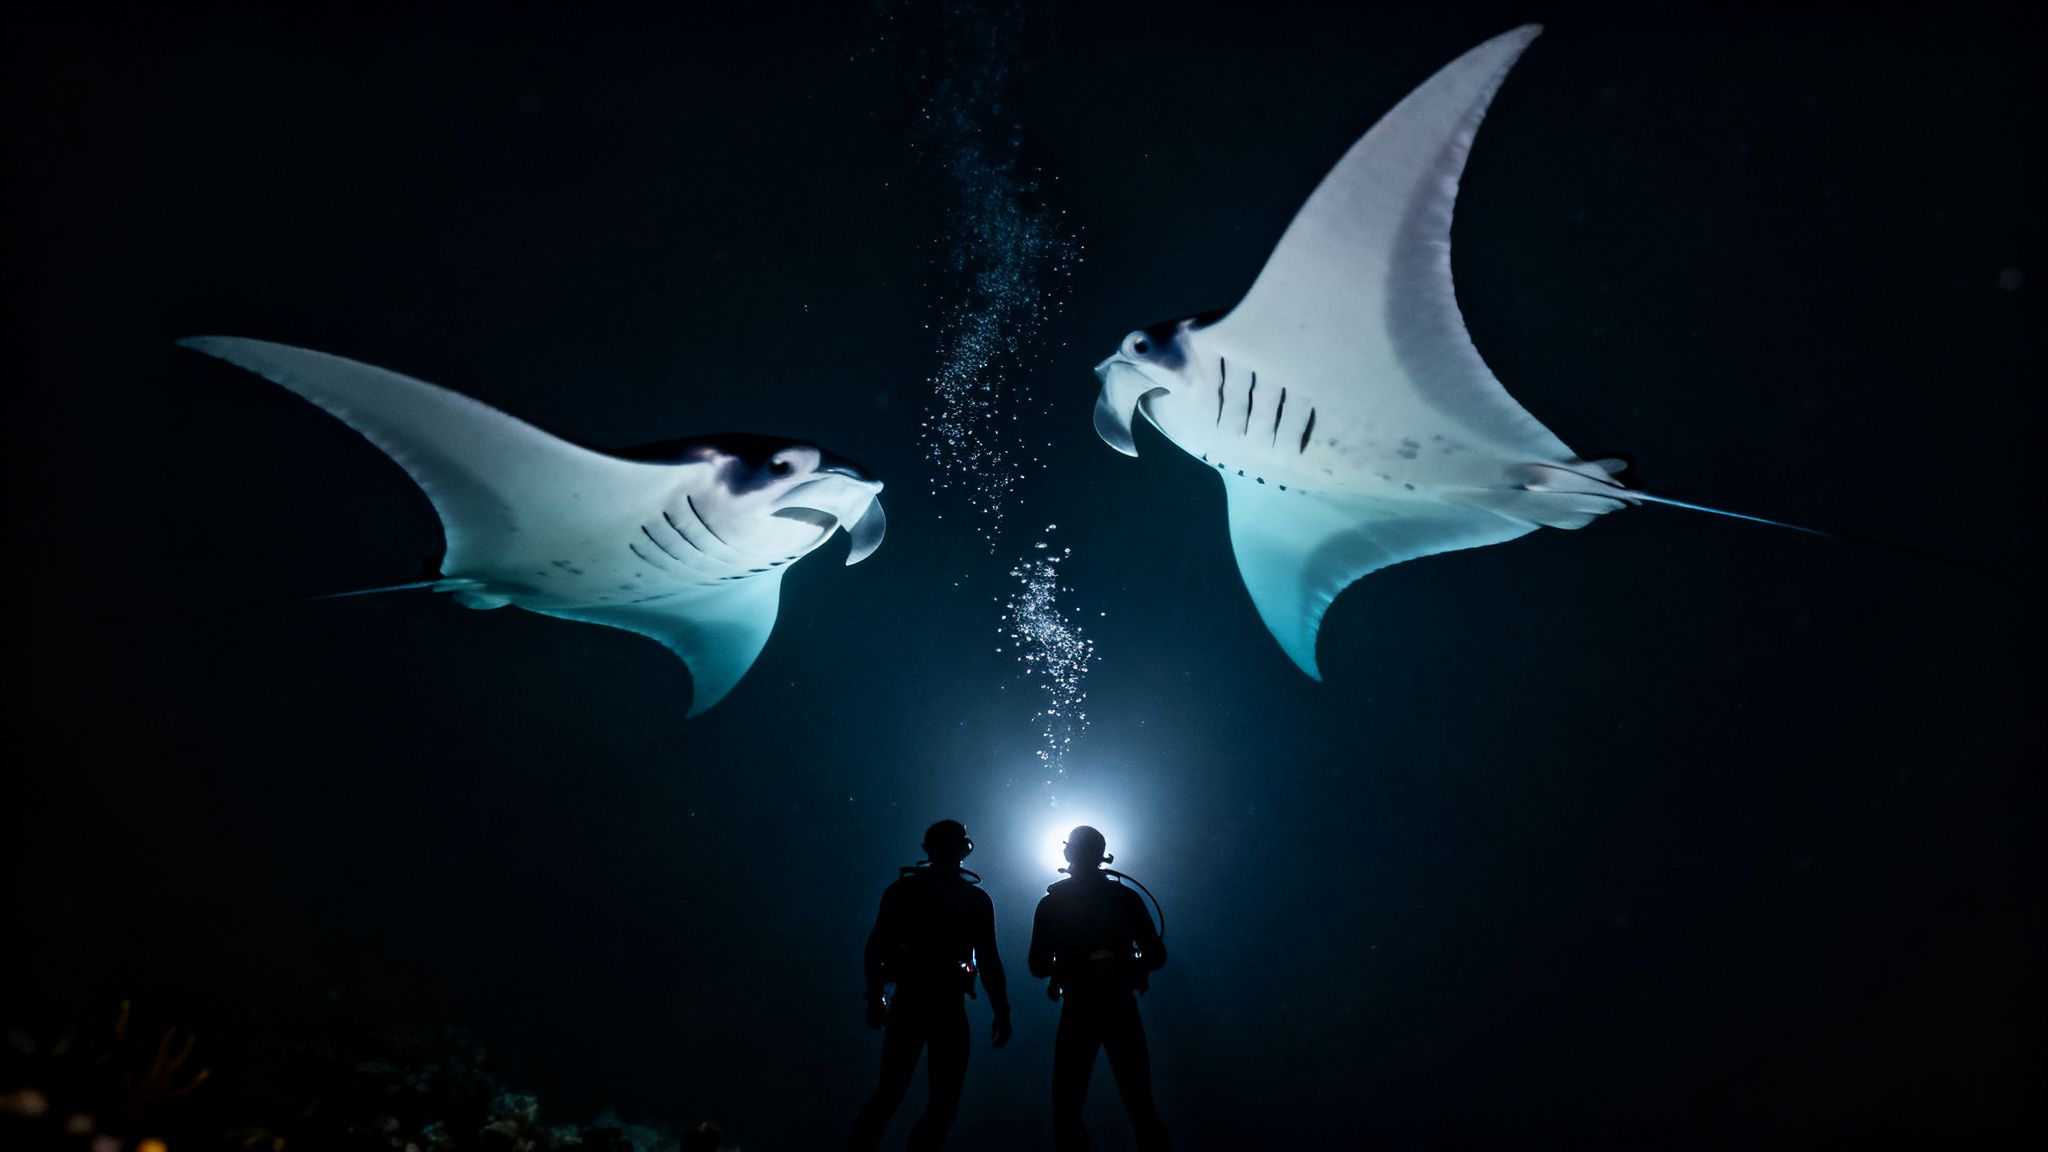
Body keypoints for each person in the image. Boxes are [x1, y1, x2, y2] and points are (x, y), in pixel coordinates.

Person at [847, 820, 1012, 1152]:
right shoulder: (975, 900)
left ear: (927, 848)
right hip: (946, 1007)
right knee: (940, 1102)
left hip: (912, 1002)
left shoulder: (903, 892)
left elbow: (875, 948)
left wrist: (876, 995)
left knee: (892, 1093)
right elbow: (989, 960)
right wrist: (1001, 1011)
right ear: (965, 849)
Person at [1028, 825, 1168, 1152]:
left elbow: (1036, 967)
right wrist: (1128, 968)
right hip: (1120, 1007)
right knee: (1139, 1102)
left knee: (1067, 1105)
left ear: (1067, 854)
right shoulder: (1125, 898)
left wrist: (1066, 969)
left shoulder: (1051, 905)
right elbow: (1156, 954)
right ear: (1102, 854)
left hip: (1078, 1010)